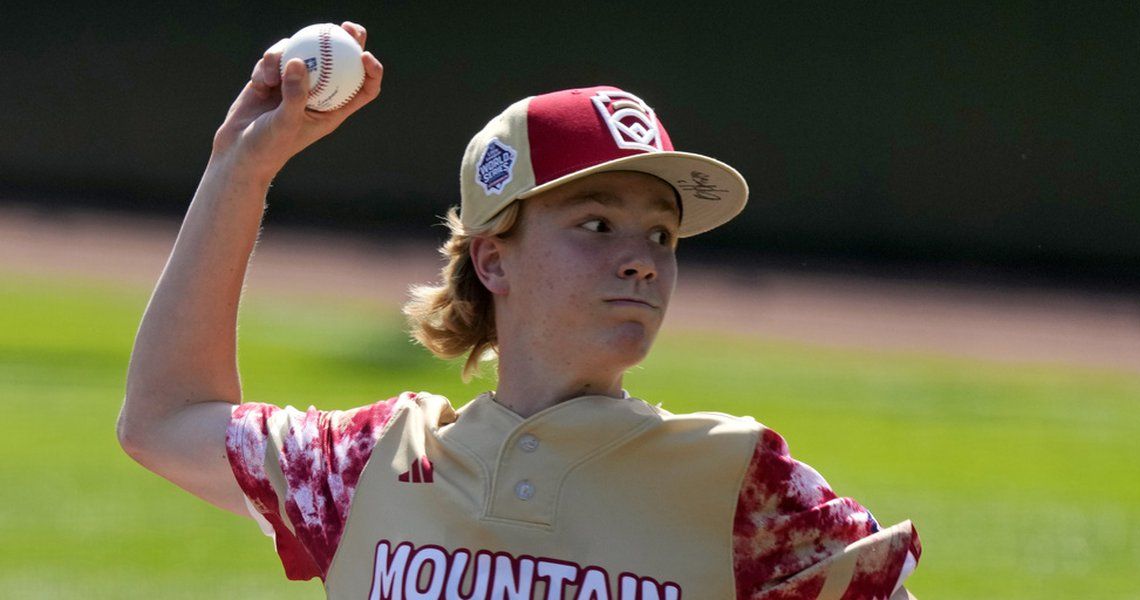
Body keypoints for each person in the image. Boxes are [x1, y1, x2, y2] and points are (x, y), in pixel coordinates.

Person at [119, 22, 920, 600]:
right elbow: (164, 419)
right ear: (493, 258)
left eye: (663, 232)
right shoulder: (371, 466)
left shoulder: (741, 486)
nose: (643, 257)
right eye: (596, 224)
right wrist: (240, 165)